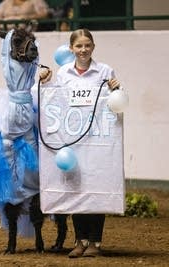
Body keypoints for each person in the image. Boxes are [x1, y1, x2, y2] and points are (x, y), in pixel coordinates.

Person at [47, 28, 121, 258]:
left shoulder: (105, 71)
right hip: (73, 139)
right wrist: (43, 82)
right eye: (78, 46)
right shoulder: (63, 73)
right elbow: (52, 100)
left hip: (99, 139)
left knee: (97, 188)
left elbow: (117, 100)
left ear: (93, 47)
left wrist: (117, 89)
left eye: (87, 45)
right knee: (76, 188)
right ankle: (80, 241)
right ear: (71, 49)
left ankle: (95, 243)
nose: (83, 50)